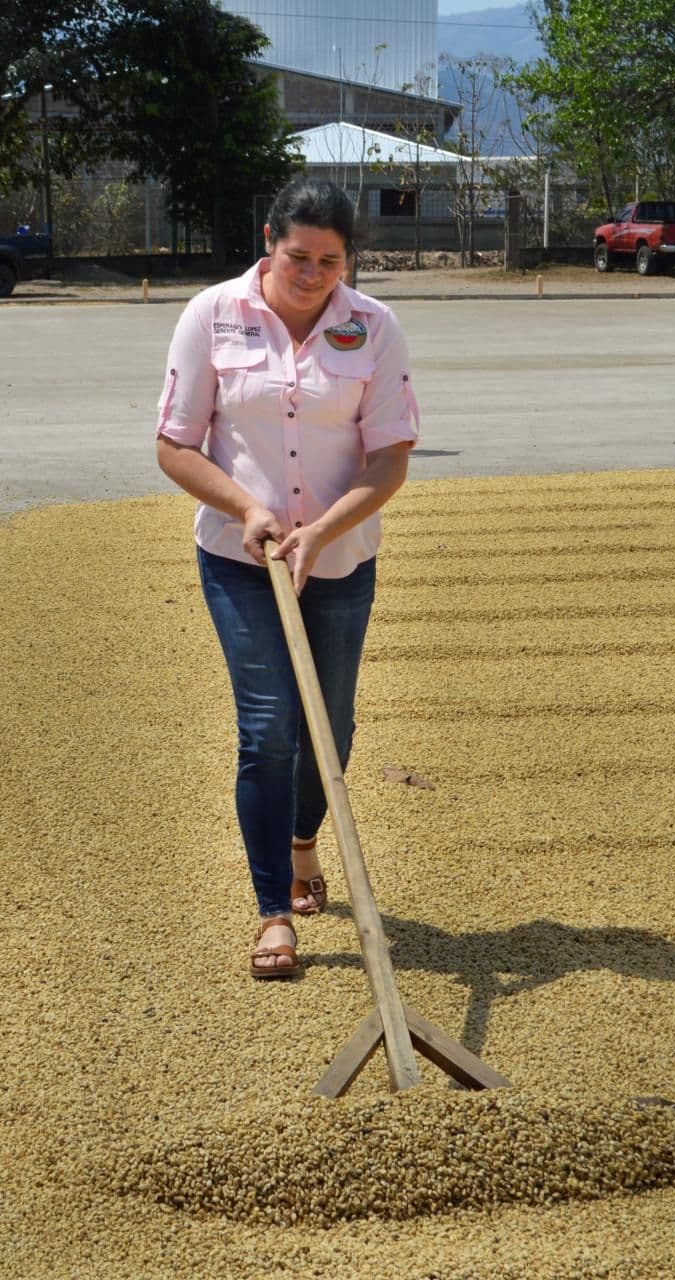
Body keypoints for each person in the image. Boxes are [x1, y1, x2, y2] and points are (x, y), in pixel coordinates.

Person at [154, 178, 420, 980]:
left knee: (328, 731)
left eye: (329, 262)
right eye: (297, 255)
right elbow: (174, 445)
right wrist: (250, 510)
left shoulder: (374, 328)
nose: (310, 274)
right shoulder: (213, 315)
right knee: (268, 728)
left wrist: (321, 532)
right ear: (270, 239)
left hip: (339, 560)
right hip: (243, 559)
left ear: (349, 261)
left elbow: (389, 458)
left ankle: (304, 843)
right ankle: (274, 910)